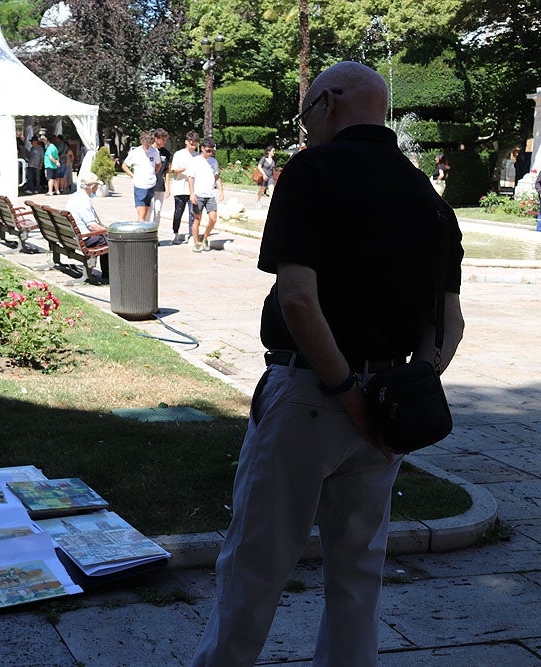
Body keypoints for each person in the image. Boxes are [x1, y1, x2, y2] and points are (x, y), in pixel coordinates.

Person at [190, 61, 465, 667]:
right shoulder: (428, 198)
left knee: (257, 565)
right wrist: (404, 390)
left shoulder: (311, 172)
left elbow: (297, 298)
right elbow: (447, 327)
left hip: (312, 396)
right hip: (386, 412)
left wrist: (346, 392)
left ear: (331, 102)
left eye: (306, 110)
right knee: (359, 573)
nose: (304, 124)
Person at [65, 174, 110, 280]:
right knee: (109, 240)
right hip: (83, 238)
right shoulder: (84, 200)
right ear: (92, 186)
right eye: (97, 186)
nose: (97, 188)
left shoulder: (75, 196)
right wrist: (108, 231)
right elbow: (92, 226)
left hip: (71, 237)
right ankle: (107, 273)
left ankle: (107, 272)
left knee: (103, 236)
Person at [186, 140, 224, 252]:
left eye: (212, 151)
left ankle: (205, 237)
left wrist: (221, 191)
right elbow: (190, 178)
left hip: (210, 194)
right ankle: (196, 242)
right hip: (198, 194)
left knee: (213, 218)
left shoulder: (213, 161)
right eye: (208, 151)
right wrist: (192, 194)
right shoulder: (194, 161)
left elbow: (217, 177)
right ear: (202, 148)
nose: (210, 153)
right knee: (197, 219)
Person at [121, 130, 160, 221]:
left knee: (146, 212)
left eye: (150, 143)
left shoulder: (154, 151)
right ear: (142, 141)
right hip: (140, 185)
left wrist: (154, 172)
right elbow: (124, 165)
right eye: (146, 143)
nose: (148, 146)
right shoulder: (136, 152)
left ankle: (143, 230)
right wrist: (133, 176)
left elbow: (158, 164)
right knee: (141, 214)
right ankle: (140, 232)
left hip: (151, 184)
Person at [169, 131, 199, 244]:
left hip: (193, 189)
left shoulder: (198, 156)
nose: (193, 145)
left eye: (195, 143)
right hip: (180, 187)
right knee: (178, 212)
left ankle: (192, 235)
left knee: (193, 213)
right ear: (186, 142)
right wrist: (186, 168)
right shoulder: (179, 154)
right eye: (191, 143)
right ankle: (175, 233)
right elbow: (174, 171)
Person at [151, 128, 171, 226]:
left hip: (160, 185)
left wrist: (168, 187)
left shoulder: (166, 153)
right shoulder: (148, 150)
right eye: (163, 139)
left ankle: (155, 235)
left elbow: (167, 171)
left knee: (157, 211)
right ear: (156, 138)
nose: (164, 142)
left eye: (165, 139)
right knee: (148, 211)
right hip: (148, 185)